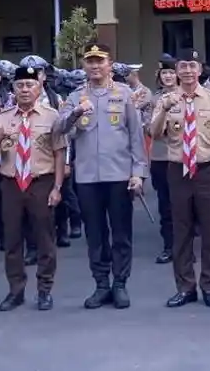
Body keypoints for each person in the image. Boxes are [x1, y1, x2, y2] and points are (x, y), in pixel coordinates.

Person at [56, 42, 147, 310]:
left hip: (119, 175)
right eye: (90, 61)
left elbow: (136, 136)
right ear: (84, 65)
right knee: (95, 234)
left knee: (121, 233)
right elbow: (59, 129)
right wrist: (75, 113)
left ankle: (120, 283)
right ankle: (101, 284)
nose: (95, 66)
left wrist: (138, 173)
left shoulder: (124, 94)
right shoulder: (76, 96)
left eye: (100, 61)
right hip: (87, 178)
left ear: (110, 65)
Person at [150, 48, 210, 308]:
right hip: (178, 170)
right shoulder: (166, 100)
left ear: (200, 69)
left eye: (192, 66)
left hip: (208, 169)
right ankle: (185, 287)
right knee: (181, 231)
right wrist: (164, 110)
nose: (187, 71)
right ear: (176, 71)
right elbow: (154, 133)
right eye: (183, 66)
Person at [0, 66, 65, 311]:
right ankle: (15, 290)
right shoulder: (3, 117)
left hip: (41, 182)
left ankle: (44, 290)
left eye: (29, 85)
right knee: (12, 240)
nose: (24, 89)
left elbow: (59, 153)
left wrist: (57, 187)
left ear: (39, 88)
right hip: (11, 184)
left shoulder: (51, 116)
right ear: (13, 88)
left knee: (44, 239)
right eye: (20, 85)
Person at [148, 55, 178, 264]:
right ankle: (169, 246)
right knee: (165, 205)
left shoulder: (186, 95)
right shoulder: (154, 99)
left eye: (171, 72)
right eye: (164, 73)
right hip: (161, 156)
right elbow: (148, 128)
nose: (168, 76)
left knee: (184, 204)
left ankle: (185, 246)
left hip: (182, 156)